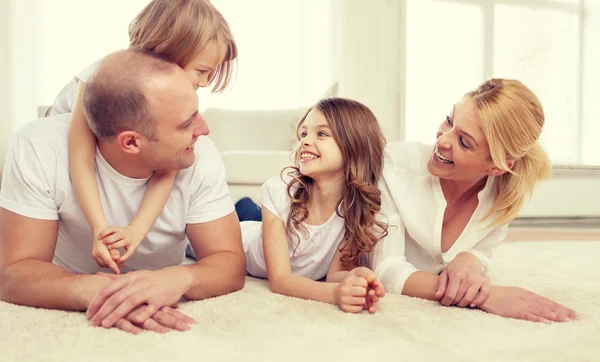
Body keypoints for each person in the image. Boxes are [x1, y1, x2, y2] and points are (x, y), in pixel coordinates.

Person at [0, 49, 245, 334]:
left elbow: (230, 262)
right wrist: (98, 290)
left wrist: (177, 279)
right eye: (186, 122)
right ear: (130, 142)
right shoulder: (38, 145)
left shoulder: (200, 154)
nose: (204, 129)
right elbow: (13, 273)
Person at [50, 0, 237, 273]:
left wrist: (136, 230)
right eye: (202, 71)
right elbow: (80, 160)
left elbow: (167, 164)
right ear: (169, 51)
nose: (205, 83)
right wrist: (99, 229)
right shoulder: (100, 76)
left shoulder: (170, 97)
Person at [370, 78, 577, 323]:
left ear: (497, 167)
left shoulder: (504, 193)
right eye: (449, 120)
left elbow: (482, 253)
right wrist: (484, 296)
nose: (442, 140)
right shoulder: (394, 167)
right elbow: (385, 269)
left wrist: (469, 259)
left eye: (464, 142)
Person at [241, 98, 388, 313]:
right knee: (242, 213)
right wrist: (334, 294)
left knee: (252, 213)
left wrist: (356, 277)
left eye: (321, 133)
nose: (305, 141)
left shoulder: (355, 208)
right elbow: (280, 280)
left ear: (354, 147)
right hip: (238, 241)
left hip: (268, 229)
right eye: (304, 133)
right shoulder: (279, 191)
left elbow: (334, 275)